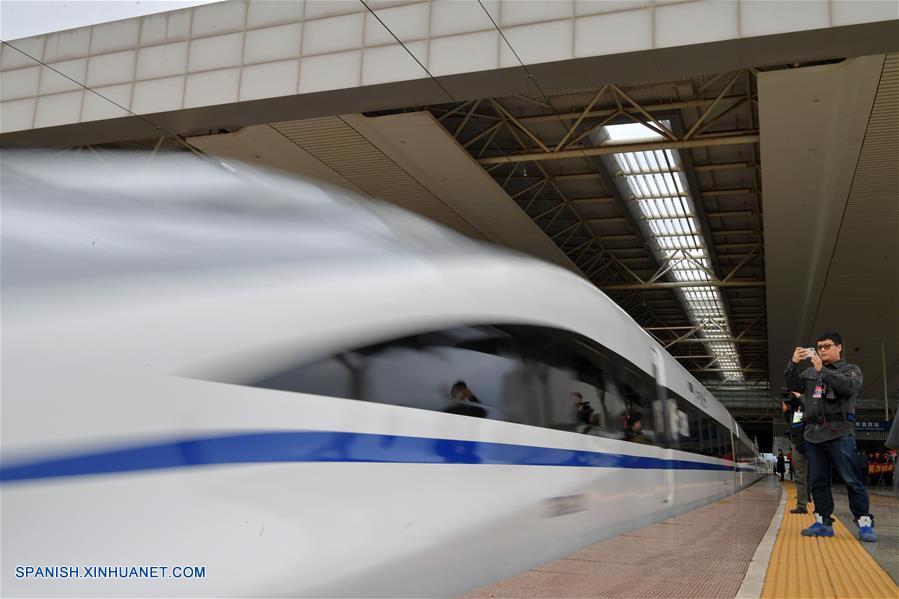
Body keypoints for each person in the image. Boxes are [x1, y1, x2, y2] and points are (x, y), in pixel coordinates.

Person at [785, 331, 876, 542]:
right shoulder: (809, 372)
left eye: (827, 346)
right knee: (817, 481)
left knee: (852, 479)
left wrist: (823, 370)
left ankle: (864, 522)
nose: (822, 350)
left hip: (840, 433)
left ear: (839, 347)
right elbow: (793, 386)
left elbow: (847, 387)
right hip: (813, 435)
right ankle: (823, 522)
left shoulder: (851, 370)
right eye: (819, 347)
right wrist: (793, 364)